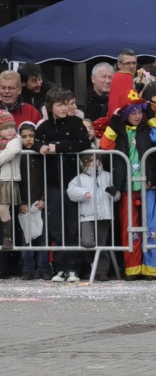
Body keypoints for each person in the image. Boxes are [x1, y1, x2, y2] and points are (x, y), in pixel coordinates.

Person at [100, 88, 156, 279]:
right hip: (126, 186)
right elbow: (104, 145)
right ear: (125, 114)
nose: (137, 116)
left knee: (152, 226)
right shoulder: (120, 131)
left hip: (148, 185)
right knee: (129, 228)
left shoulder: (146, 129)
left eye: (139, 111)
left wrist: (150, 114)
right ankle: (133, 267)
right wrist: (114, 122)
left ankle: (152, 268)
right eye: (132, 112)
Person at [33, 87, 90, 282]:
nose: (64, 108)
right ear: (50, 107)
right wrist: (39, 146)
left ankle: (74, 267)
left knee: (72, 226)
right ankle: (59, 266)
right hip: (53, 184)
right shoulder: (44, 126)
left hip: (72, 182)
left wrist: (57, 148)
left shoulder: (76, 123)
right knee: (56, 227)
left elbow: (83, 143)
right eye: (59, 105)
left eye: (66, 104)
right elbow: (35, 141)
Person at [66, 153, 119, 281]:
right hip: (87, 215)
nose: (94, 163)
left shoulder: (107, 176)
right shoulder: (80, 178)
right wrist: (83, 193)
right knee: (88, 242)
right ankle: (89, 260)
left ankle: (101, 271)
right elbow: (70, 191)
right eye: (90, 161)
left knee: (102, 244)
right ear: (84, 163)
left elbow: (117, 195)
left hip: (104, 215)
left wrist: (114, 193)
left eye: (96, 160)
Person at [17, 122, 48, 279]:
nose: (28, 139)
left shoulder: (41, 155)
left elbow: (48, 179)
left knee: (43, 237)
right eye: (24, 136)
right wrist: (19, 203)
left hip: (40, 202)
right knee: (25, 237)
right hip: (24, 202)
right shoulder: (18, 156)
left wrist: (44, 199)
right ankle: (27, 269)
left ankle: (43, 267)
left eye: (31, 136)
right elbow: (15, 183)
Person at [0, 109, 22, 249]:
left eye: (12, 127)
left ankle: (7, 237)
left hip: (7, 179)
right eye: (5, 128)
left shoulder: (16, 140)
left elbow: (11, 151)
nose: (9, 130)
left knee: (3, 209)